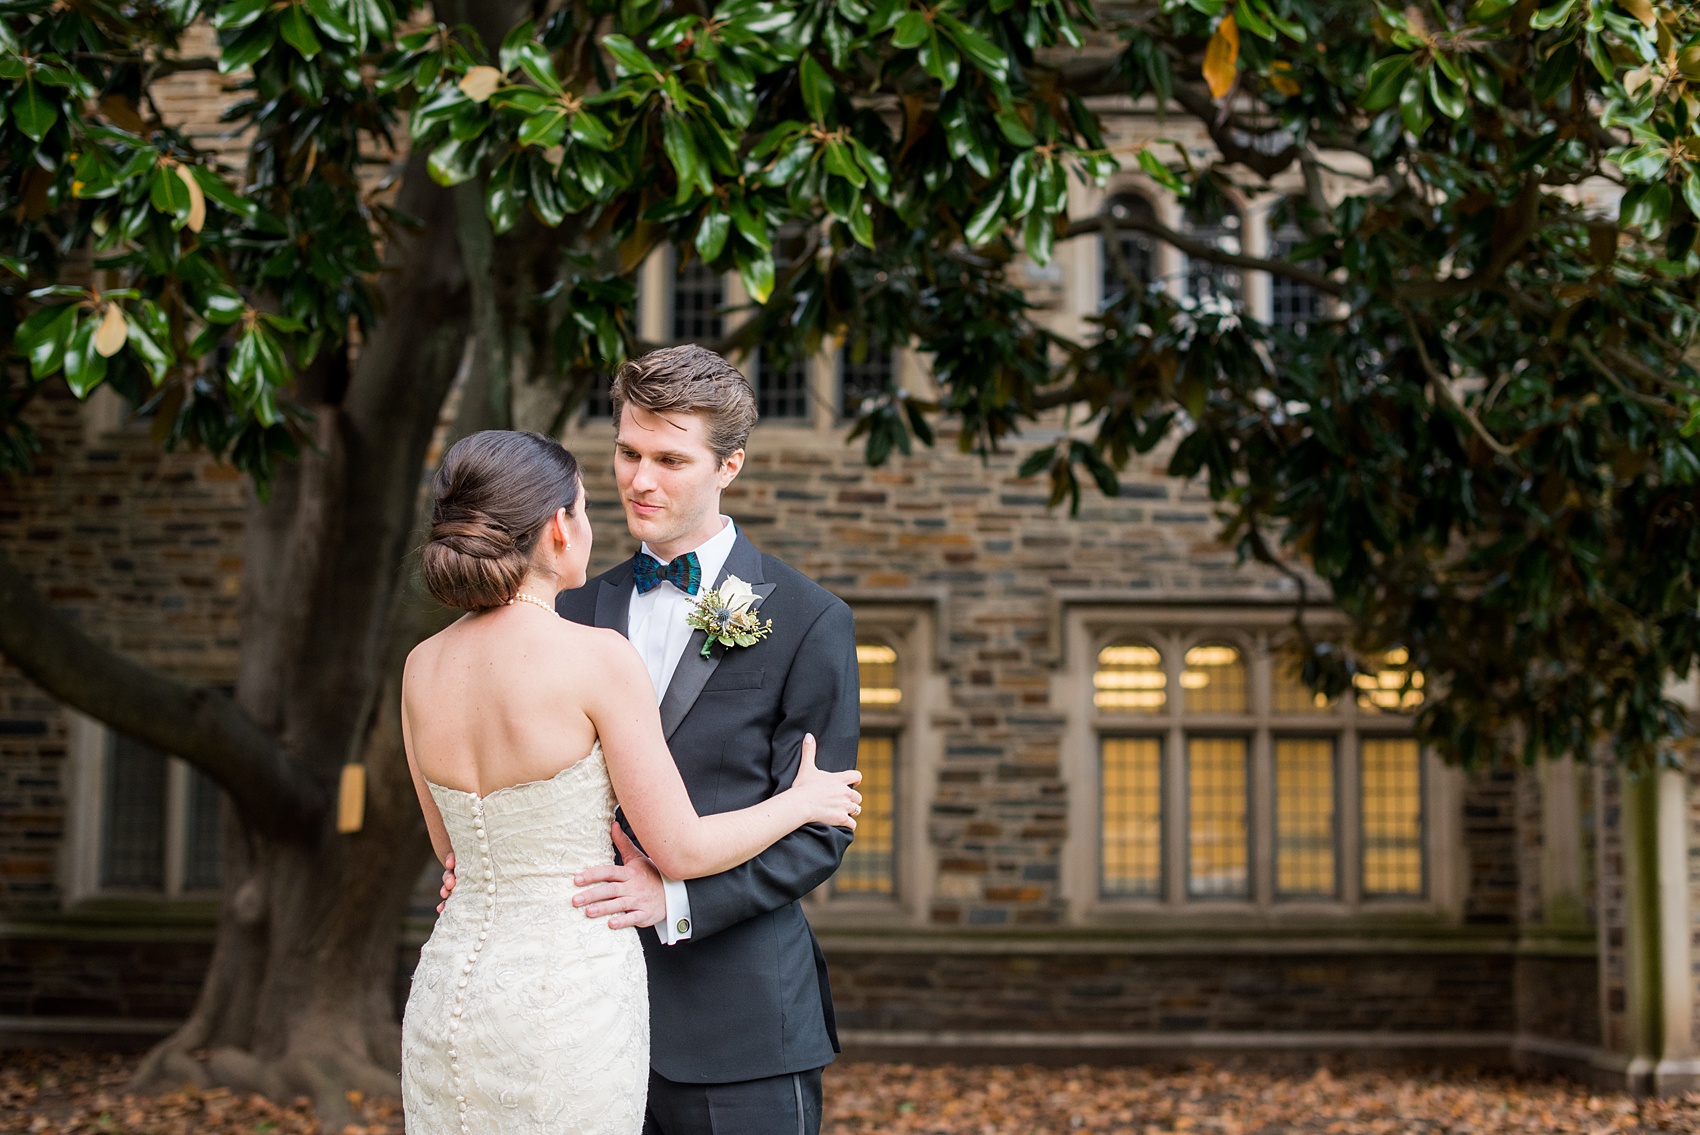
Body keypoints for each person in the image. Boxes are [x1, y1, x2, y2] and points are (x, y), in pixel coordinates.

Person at [443, 344, 863, 1134]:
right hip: (574, 1019)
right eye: (628, 452)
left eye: (671, 459)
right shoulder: (562, 609)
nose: (640, 480)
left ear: (728, 464)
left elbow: (820, 826)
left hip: (740, 1026)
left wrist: (672, 898)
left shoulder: (811, 620)